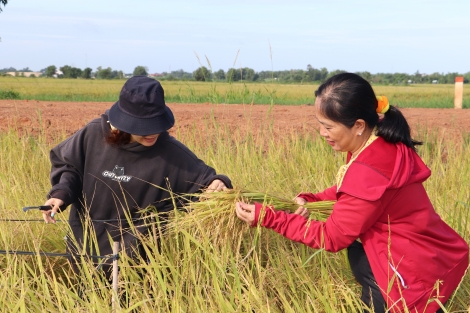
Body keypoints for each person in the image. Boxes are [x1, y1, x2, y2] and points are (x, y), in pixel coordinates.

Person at [235, 73, 469, 313]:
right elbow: (349, 191)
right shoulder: (379, 142)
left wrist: (268, 217)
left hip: (407, 274)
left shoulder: (368, 170)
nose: (321, 133)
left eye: (328, 127)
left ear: (358, 125)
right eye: (320, 124)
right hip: (426, 254)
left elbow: (331, 237)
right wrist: (312, 199)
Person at [42, 75, 232, 278]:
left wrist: (220, 183)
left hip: (137, 270)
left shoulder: (172, 155)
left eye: (156, 125)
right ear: (124, 122)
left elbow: (208, 184)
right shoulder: (92, 135)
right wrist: (61, 193)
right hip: (83, 254)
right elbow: (69, 167)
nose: (152, 133)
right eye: (143, 127)